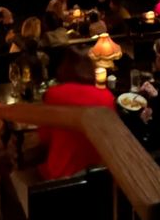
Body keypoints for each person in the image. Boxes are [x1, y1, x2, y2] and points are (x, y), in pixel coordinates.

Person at [38, 47, 116, 180]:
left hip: (62, 176)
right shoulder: (107, 97)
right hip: (100, 174)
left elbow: (44, 137)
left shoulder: (54, 94)